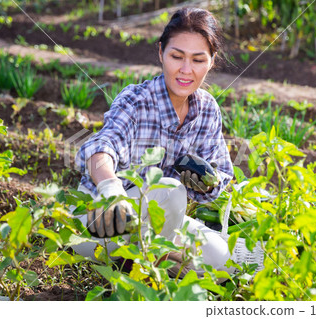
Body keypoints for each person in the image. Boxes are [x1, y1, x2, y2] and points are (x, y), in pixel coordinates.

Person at [73, 7, 264, 278]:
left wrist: (206, 180)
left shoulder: (207, 109)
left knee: (225, 262)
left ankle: (152, 260)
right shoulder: (136, 100)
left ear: (211, 61)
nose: (186, 70)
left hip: (160, 225)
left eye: (198, 60)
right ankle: (144, 274)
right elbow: (102, 147)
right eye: (177, 56)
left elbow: (222, 175)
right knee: (172, 191)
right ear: (161, 52)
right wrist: (110, 187)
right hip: (103, 222)